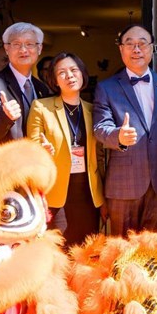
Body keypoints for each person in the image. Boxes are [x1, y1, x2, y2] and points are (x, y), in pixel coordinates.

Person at [92, 24, 157, 236]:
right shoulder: (106, 88)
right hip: (123, 187)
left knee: (153, 252)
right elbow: (100, 127)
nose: (136, 49)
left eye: (142, 44)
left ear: (151, 48)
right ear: (121, 49)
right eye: (130, 44)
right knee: (120, 252)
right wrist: (119, 136)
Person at [27, 52, 105, 247]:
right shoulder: (41, 107)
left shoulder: (92, 109)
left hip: (88, 193)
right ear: (54, 80)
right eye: (62, 72)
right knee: (59, 249)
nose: (69, 76)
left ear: (82, 74)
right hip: (57, 192)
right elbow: (32, 146)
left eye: (73, 70)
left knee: (87, 250)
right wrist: (42, 151)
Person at [0, 22, 51, 144]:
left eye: (29, 44)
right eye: (16, 44)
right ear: (7, 49)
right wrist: (5, 116)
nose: (23, 50)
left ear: (39, 48)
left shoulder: (41, 88)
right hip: (9, 160)